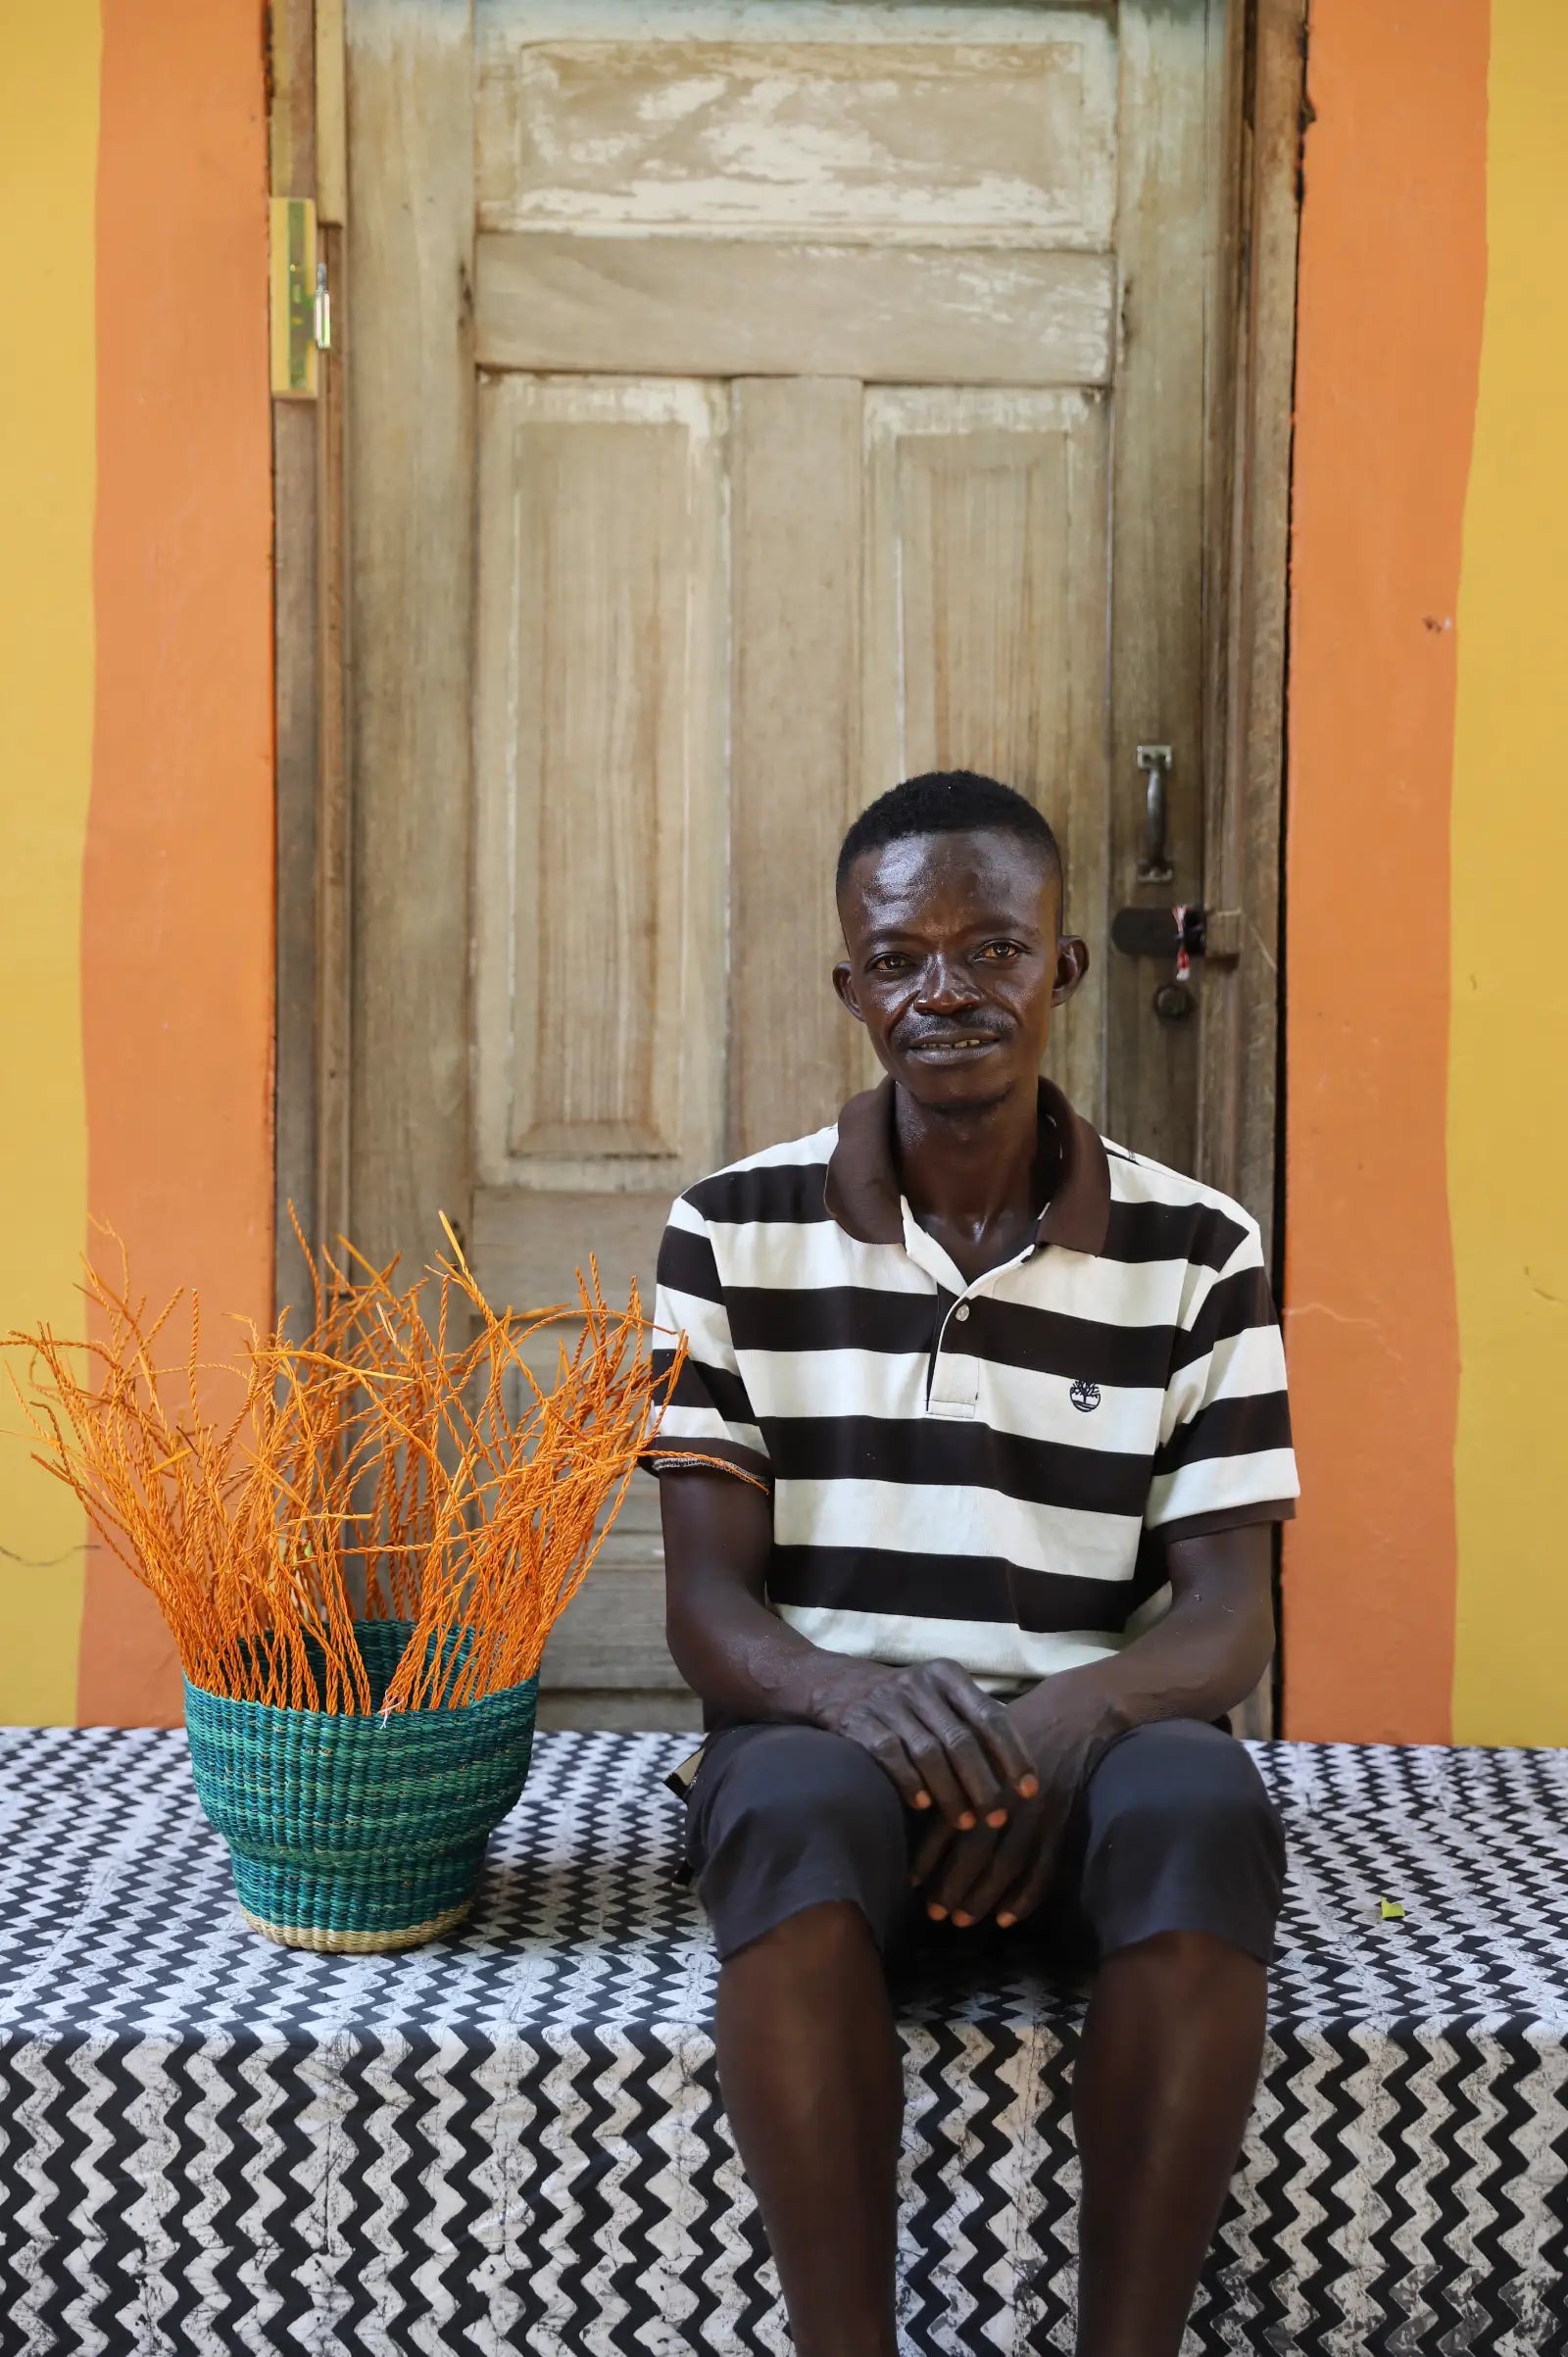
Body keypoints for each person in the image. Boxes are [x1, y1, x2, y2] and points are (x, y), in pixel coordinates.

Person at [644, 770, 1298, 2357]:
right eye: (901, 957)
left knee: (1206, 1807)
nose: (947, 990)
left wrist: (1068, 1719)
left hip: (1095, 1760)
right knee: (784, 1810)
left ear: (1062, 965)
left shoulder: (1199, 1247)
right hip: (834, 1752)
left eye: (993, 947)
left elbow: (1229, 1615)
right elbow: (709, 1605)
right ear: (851, 986)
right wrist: (854, 1703)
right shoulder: (728, 1233)